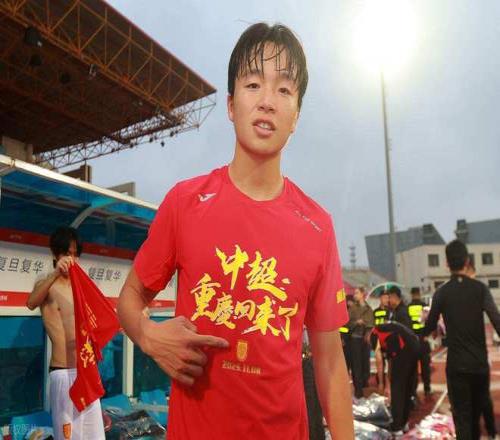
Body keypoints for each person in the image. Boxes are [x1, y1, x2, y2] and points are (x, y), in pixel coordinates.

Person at [117, 22, 354, 439]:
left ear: (296, 116)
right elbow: (130, 297)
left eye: (284, 90)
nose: (267, 101)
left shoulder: (317, 226)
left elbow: (331, 364)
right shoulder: (185, 203)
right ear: (231, 105)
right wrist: (149, 336)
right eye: (253, 84)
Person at [26, 227, 105, 440]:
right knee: (67, 435)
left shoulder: (82, 287)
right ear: (55, 254)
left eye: (75, 254)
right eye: (66, 253)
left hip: (86, 370)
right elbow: (31, 303)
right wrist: (55, 273)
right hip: (62, 371)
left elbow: (99, 319)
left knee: (95, 435)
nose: (71, 259)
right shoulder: (46, 285)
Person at [423, 240, 500, 440]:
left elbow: (429, 327)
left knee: (462, 419)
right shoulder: (480, 289)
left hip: (457, 366)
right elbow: (497, 321)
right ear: (467, 261)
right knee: (475, 418)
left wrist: (413, 331)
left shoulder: (441, 293)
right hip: (479, 364)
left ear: (447, 264)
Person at [465, 263, 497, 439]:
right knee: (480, 398)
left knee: (480, 398)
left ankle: (488, 430)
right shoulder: (476, 291)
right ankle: (488, 430)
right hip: (475, 356)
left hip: (473, 357)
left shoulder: (476, 291)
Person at [373, 319, 419, 436]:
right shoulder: (387, 328)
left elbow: (381, 360)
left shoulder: (375, 334)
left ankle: (397, 426)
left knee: (397, 388)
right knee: (407, 386)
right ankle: (404, 423)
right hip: (415, 346)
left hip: (403, 349)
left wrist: (383, 384)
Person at [347, 287, 374, 398]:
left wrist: (366, 325)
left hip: (365, 339)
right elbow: (347, 323)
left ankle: (365, 387)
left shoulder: (369, 309)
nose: (355, 295)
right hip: (355, 339)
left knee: (365, 365)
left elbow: (371, 323)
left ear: (363, 294)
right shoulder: (352, 309)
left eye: (357, 293)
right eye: (354, 293)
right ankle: (358, 391)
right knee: (356, 365)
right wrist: (356, 323)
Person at [408, 287, 431, 398]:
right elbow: (429, 321)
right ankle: (427, 388)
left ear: (412, 295)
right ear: (419, 294)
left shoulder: (408, 307)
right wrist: (427, 334)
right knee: (425, 366)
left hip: (412, 340)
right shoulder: (424, 306)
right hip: (423, 338)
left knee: (413, 367)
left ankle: (413, 390)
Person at [372, 290, 390, 393]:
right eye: (384, 297)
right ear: (380, 298)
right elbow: (373, 326)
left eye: (387, 298)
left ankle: (388, 385)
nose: (386, 300)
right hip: (378, 339)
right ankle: (380, 383)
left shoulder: (390, 311)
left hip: (388, 339)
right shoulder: (375, 312)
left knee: (389, 363)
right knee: (379, 361)